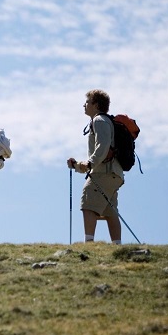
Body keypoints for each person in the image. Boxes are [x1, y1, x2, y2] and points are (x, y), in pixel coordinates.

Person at [67, 89, 124, 244]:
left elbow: (102, 146)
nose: (84, 105)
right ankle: (117, 246)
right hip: (114, 174)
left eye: (87, 102)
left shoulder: (99, 120)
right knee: (110, 211)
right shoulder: (106, 121)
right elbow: (102, 151)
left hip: (103, 173)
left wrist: (90, 163)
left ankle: (89, 244)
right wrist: (77, 165)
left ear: (96, 105)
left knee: (88, 203)